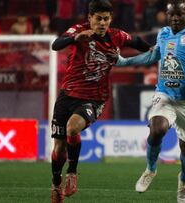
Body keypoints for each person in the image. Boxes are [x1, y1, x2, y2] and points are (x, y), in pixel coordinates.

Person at [116, 0, 185, 202]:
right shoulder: (163, 34)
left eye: (179, 14)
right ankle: (150, 169)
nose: (174, 18)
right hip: (164, 95)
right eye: (171, 14)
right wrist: (124, 62)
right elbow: (152, 56)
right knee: (157, 129)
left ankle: (184, 181)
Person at [49, 0, 151, 203]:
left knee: (72, 128)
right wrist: (76, 38)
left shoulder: (117, 36)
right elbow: (56, 45)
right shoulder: (79, 30)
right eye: (98, 19)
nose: (102, 23)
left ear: (110, 19)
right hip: (67, 94)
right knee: (59, 147)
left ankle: (73, 173)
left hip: (94, 98)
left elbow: (138, 42)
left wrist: (157, 50)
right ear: (90, 18)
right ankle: (55, 183)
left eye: (106, 19)